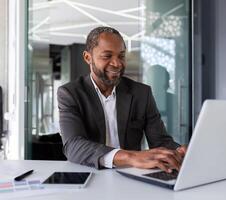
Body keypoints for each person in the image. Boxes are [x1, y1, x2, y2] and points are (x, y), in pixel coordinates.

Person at [57, 26, 187, 173]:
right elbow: (73, 145)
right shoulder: (70, 93)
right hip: (89, 173)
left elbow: (160, 141)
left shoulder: (141, 93)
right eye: (107, 56)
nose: (117, 63)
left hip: (130, 174)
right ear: (88, 57)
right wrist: (130, 156)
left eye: (121, 56)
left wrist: (178, 150)